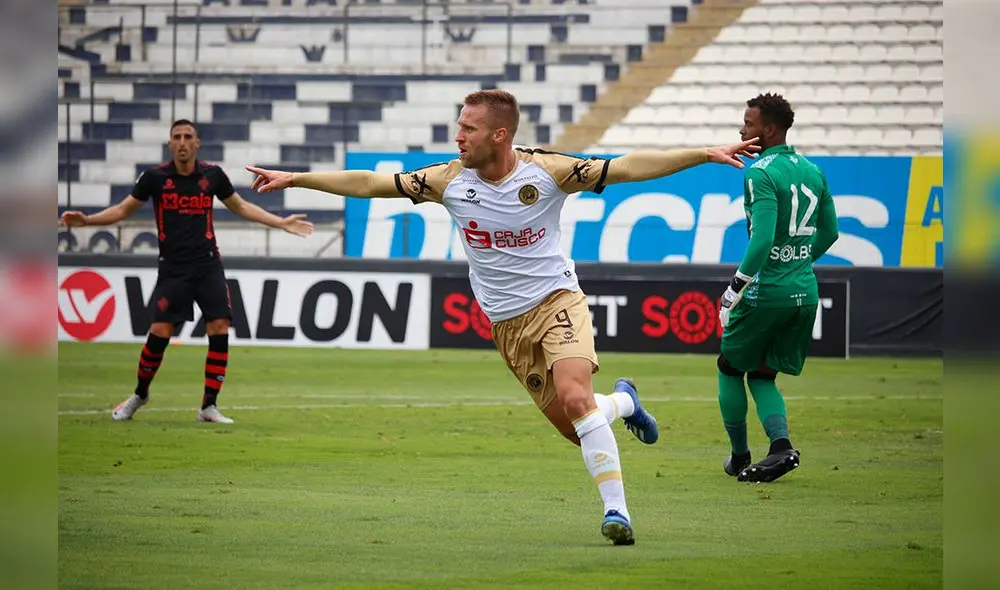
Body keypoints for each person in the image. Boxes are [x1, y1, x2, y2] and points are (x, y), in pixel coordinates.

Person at [246, 90, 759, 545]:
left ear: (499, 133)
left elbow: (625, 166)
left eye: (468, 127)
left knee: (577, 398)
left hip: (557, 301)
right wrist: (298, 178)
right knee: (577, 427)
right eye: (458, 125)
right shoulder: (446, 179)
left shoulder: (547, 171)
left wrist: (702, 154)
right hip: (507, 326)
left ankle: (616, 511)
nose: (458, 135)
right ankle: (623, 403)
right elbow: (369, 183)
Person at [60, 119, 314, 424]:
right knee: (161, 332)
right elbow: (122, 210)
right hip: (173, 269)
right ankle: (140, 394)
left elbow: (242, 207)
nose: (182, 141)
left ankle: (209, 406)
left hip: (208, 265)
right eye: (177, 137)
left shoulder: (212, 176)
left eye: (188, 136)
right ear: (170, 144)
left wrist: (281, 222)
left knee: (219, 327)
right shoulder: (154, 178)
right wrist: (87, 221)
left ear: (197, 143)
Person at [716, 93, 840, 483]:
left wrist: (735, 288)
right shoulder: (813, 171)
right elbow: (831, 232)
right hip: (804, 292)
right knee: (764, 375)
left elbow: (763, 238)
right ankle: (780, 447)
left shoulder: (759, 173)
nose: (742, 129)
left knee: (729, 369)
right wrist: (798, 262)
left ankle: (739, 457)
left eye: (748, 124)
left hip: (765, 293)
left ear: (769, 130)